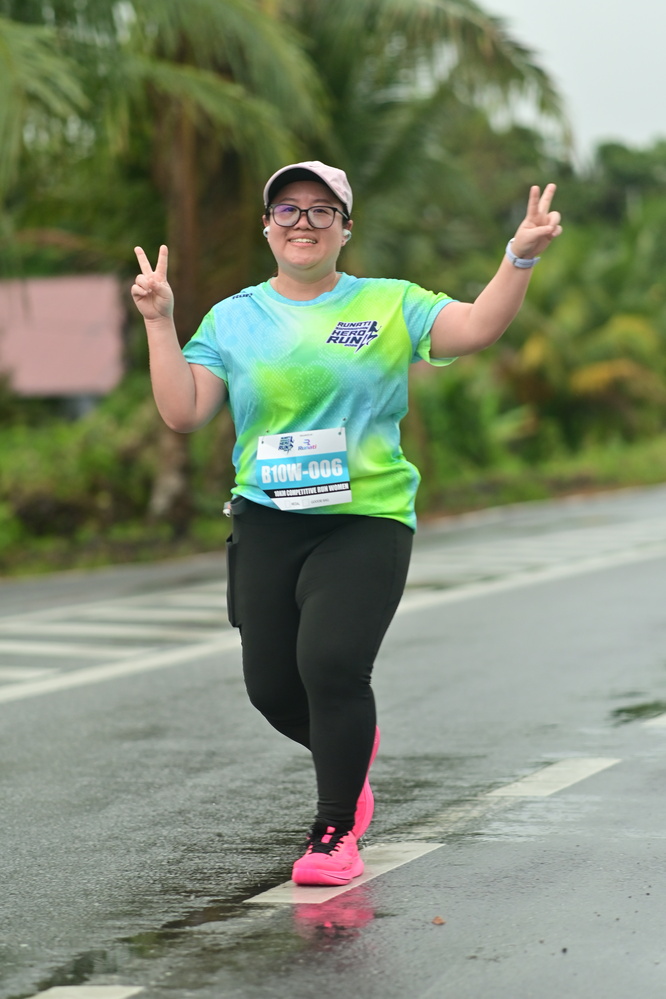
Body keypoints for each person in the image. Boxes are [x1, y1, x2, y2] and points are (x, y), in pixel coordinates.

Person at [131, 160, 561, 887]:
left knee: (331, 665)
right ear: (268, 226)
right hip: (267, 518)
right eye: (288, 210)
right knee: (273, 689)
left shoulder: (389, 303)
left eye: (321, 210)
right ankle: (350, 751)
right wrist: (158, 321)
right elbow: (183, 410)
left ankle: (334, 832)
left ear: (345, 228)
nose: (303, 223)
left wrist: (518, 257)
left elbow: (477, 326)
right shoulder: (233, 318)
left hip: (364, 518)